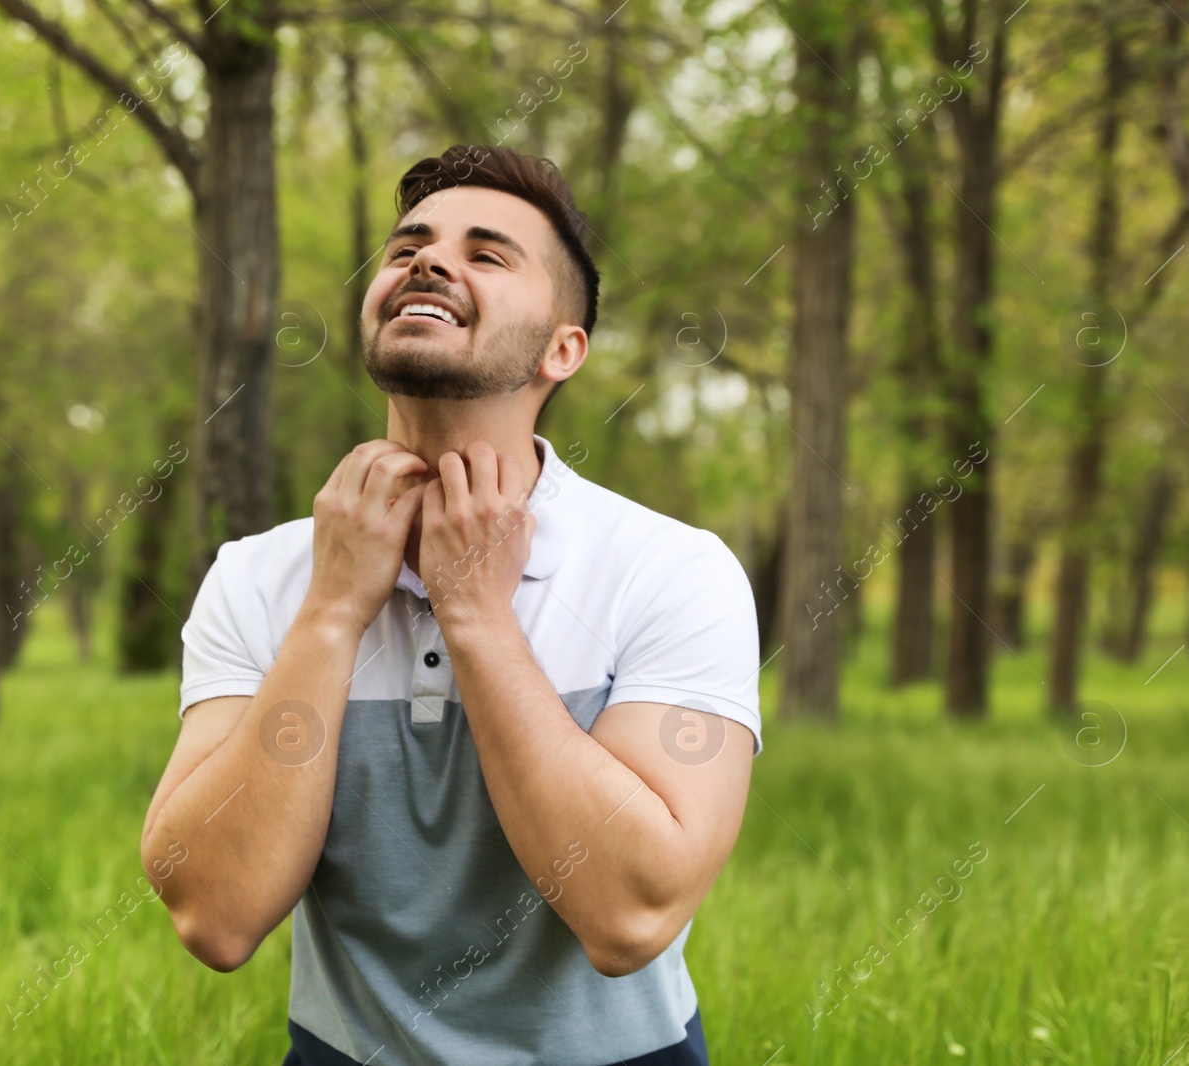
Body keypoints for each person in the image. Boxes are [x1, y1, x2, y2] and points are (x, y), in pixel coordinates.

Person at [141, 143, 762, 1066]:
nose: (427, 262)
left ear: (564, 348)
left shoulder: (673, 571)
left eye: (488, 253)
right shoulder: (258, 577)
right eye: (408, 247)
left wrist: (475, 615)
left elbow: (631, 915)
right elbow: (214, 914)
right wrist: (331, 613)